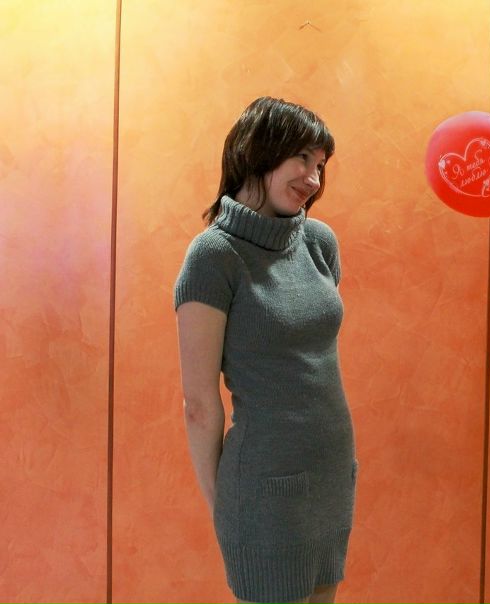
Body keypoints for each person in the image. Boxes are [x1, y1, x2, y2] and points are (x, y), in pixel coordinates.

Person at [174, 96, 356, 604]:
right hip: (264, 491)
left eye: (320, 165)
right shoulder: (214, 256)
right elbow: (198, 403)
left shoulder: (319, 242)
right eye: (302, 158)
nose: (313, 178)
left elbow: (309, 357)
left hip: (331, 477)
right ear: (258, 151)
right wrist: (226, 506)